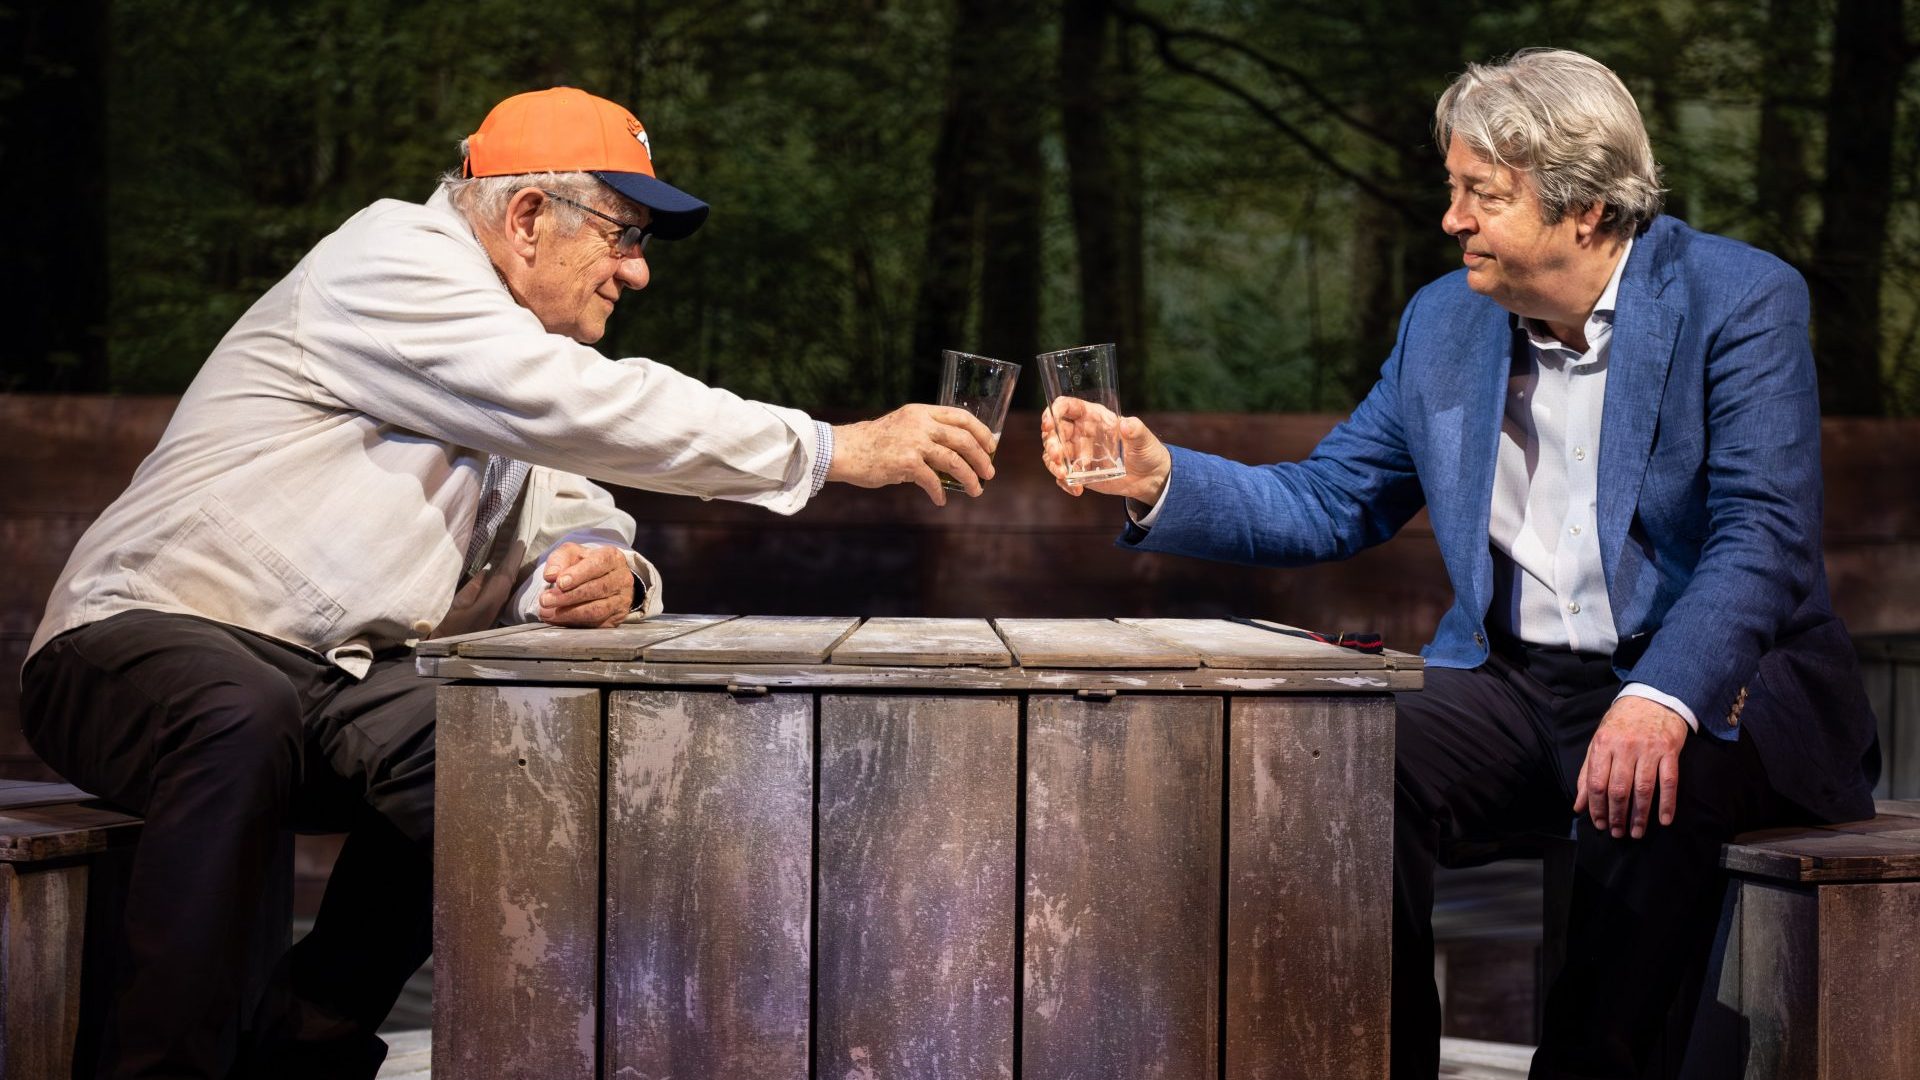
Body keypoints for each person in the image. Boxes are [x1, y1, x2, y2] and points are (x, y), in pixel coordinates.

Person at [21, 86, 997, 1079]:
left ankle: (304, 1041)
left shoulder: (517, 364)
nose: (639, 271)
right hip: (132, 645)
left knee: (506, 744)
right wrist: (828, 447)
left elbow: (578, 508)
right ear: (529, 216)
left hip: (329, 687)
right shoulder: (393, 263)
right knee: (239, 712)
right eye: (624, 234)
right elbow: (584, 407)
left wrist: (605, 574)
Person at [1042, 49, 1879, 1079]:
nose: (1453, 220)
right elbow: (1331, 499)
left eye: (1481, 193)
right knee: (1338, 756)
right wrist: (1156, 472)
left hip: (1718, 689)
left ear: (1586, 209)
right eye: (1455, 190)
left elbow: (1762, 535)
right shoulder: (1446, 322)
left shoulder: (1738, 299)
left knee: (1651, 790)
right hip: (1515, 683)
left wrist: (1663, 694)